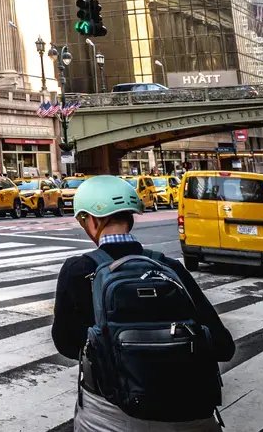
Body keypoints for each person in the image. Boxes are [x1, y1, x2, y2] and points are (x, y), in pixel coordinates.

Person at [52, 175, 234, 431]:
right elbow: (223, 346)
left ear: (91, 220)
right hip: (189, 415)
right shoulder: (168, 267)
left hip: (110, 416)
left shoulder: (77, 269)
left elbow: (67, 343)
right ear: (130, 217)